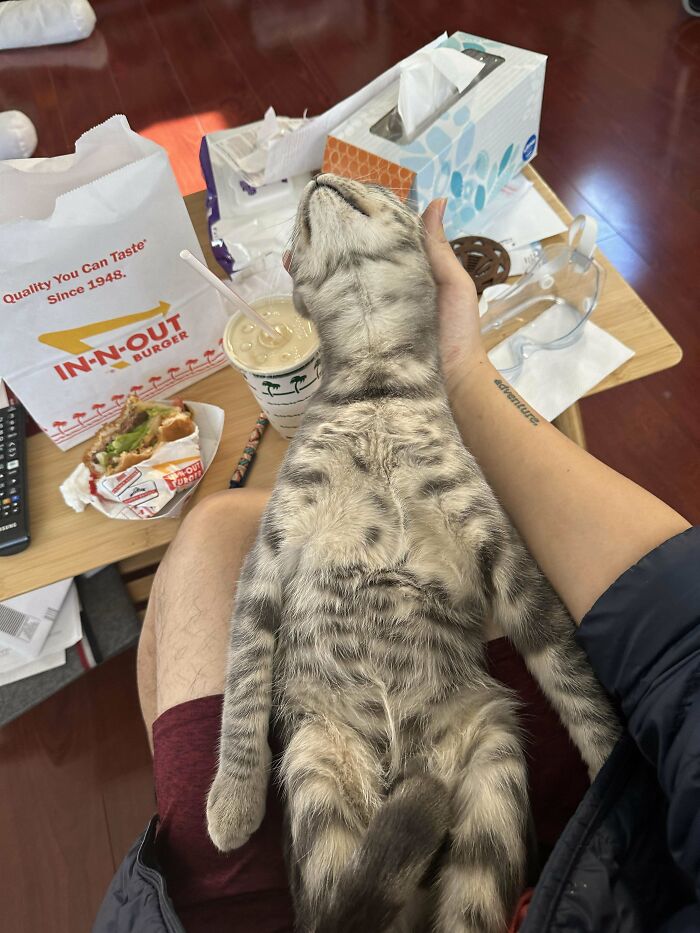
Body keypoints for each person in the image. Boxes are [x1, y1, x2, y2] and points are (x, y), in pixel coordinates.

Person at [93, 201, 700, 933]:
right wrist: (463, 372)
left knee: (214, 530)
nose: (330, 195)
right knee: (233, 542)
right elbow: (556, 612)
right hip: (374, 721)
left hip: (410, 714)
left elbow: (261, 603)